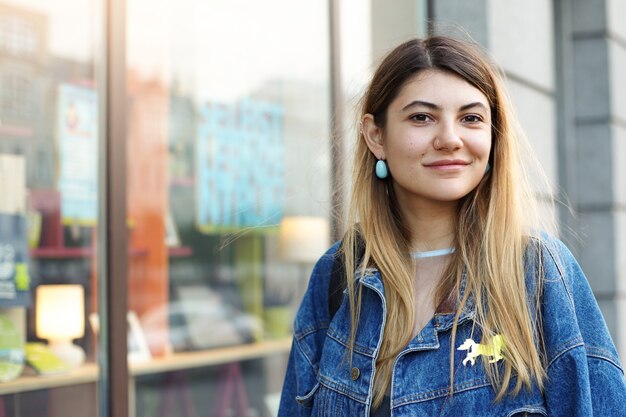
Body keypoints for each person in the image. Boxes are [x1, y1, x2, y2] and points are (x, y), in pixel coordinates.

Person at [277, 35, 626, 416]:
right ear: (376, 135)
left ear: (493, 137)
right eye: (421, 117)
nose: (449, 139)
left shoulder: (539, 272)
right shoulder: (339, 276)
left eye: (471, 118)